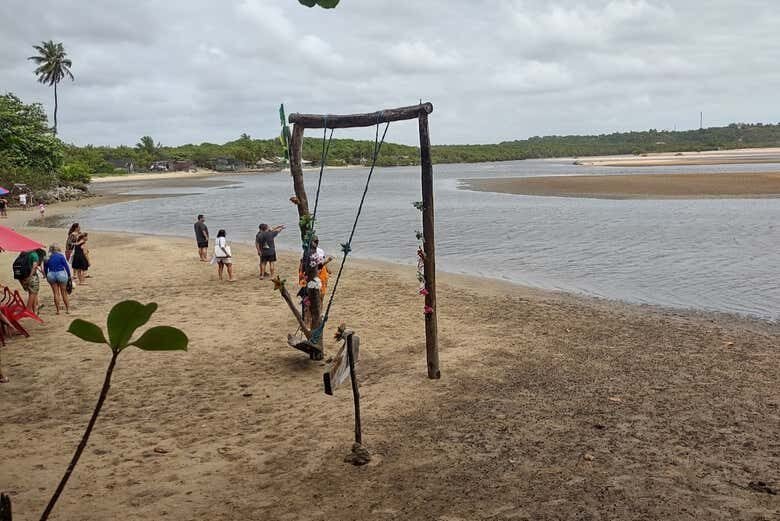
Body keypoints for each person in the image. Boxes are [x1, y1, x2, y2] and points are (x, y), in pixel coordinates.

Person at [44, 244, 71, 315]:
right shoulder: (60, 256)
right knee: (64, 293)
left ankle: (58, 310)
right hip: (61, 274)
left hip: (51, 274)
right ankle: (67, 309)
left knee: (56, 293)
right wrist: (69, 275)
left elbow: (45, 268)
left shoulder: (47, 257)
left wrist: (46, 275)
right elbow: (66, 266)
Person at [19, 248, 46, 313]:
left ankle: (35, 310)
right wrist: (30, 277)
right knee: (32, 293)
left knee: (33, 292)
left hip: (22, 276)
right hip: (32, 277)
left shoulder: (27, 254)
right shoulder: (35, 255)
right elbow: (34, 267)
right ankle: (28, 311)